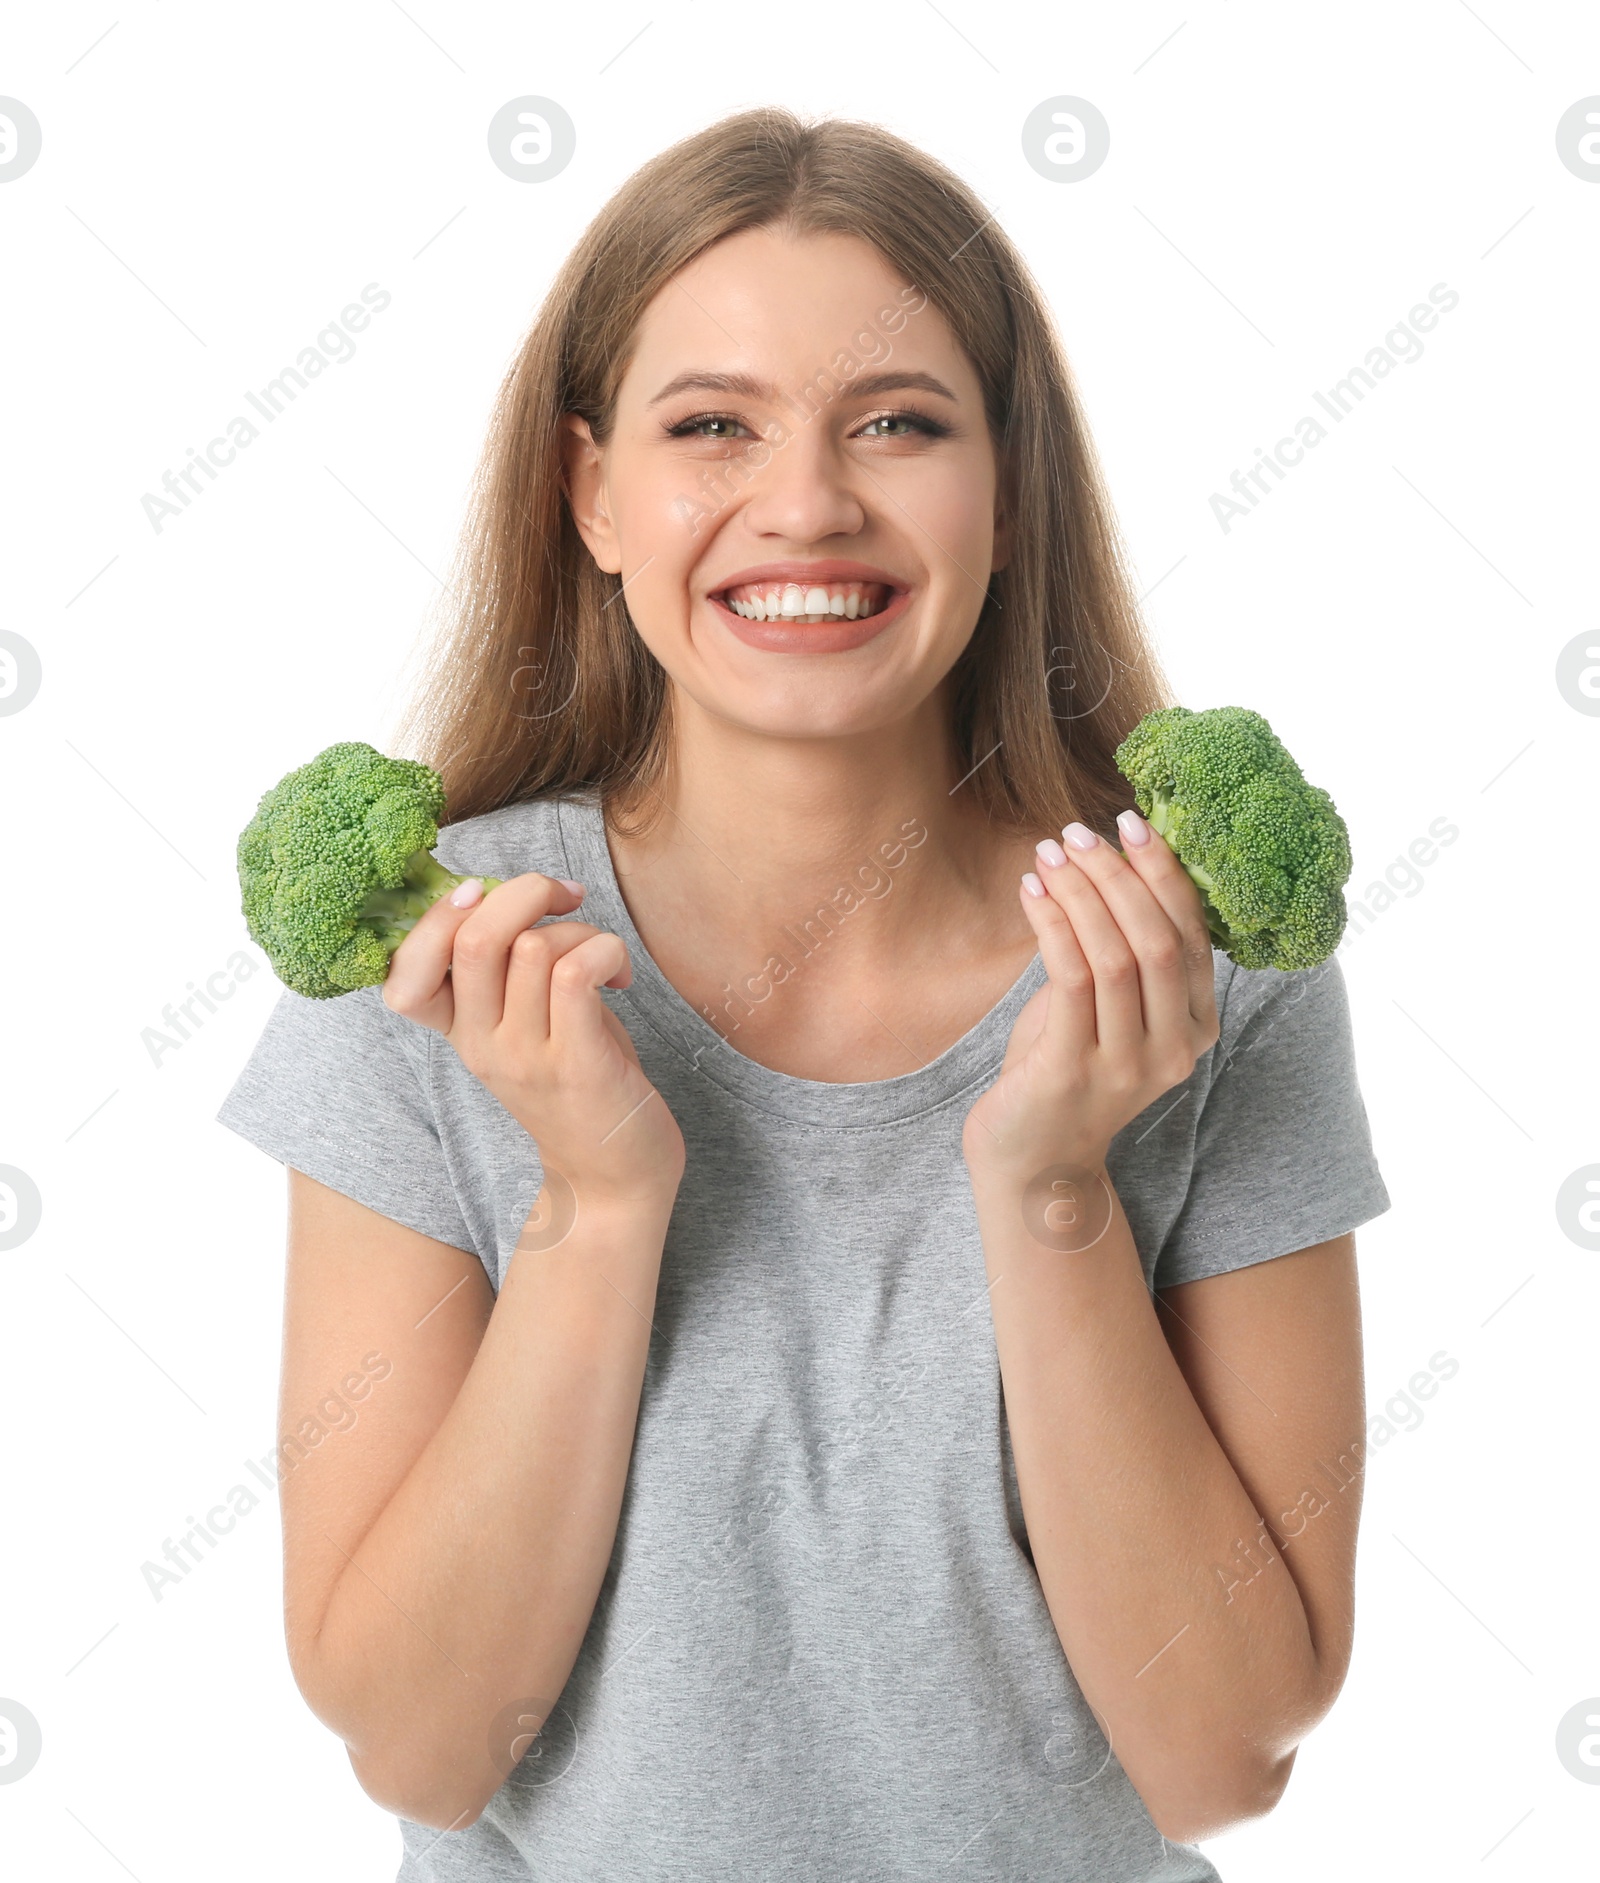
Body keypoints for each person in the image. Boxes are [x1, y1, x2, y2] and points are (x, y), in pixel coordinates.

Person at [216, 106, 1389, 1881]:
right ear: (593, 495)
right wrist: (598, 1207)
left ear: (1009, 490)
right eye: (712, 429)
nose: (808, 504)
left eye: (899, 425)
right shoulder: (432, 966)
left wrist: (1058, 1187)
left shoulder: (1204, 971)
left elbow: (1224, 1754)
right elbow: (425, 1740)